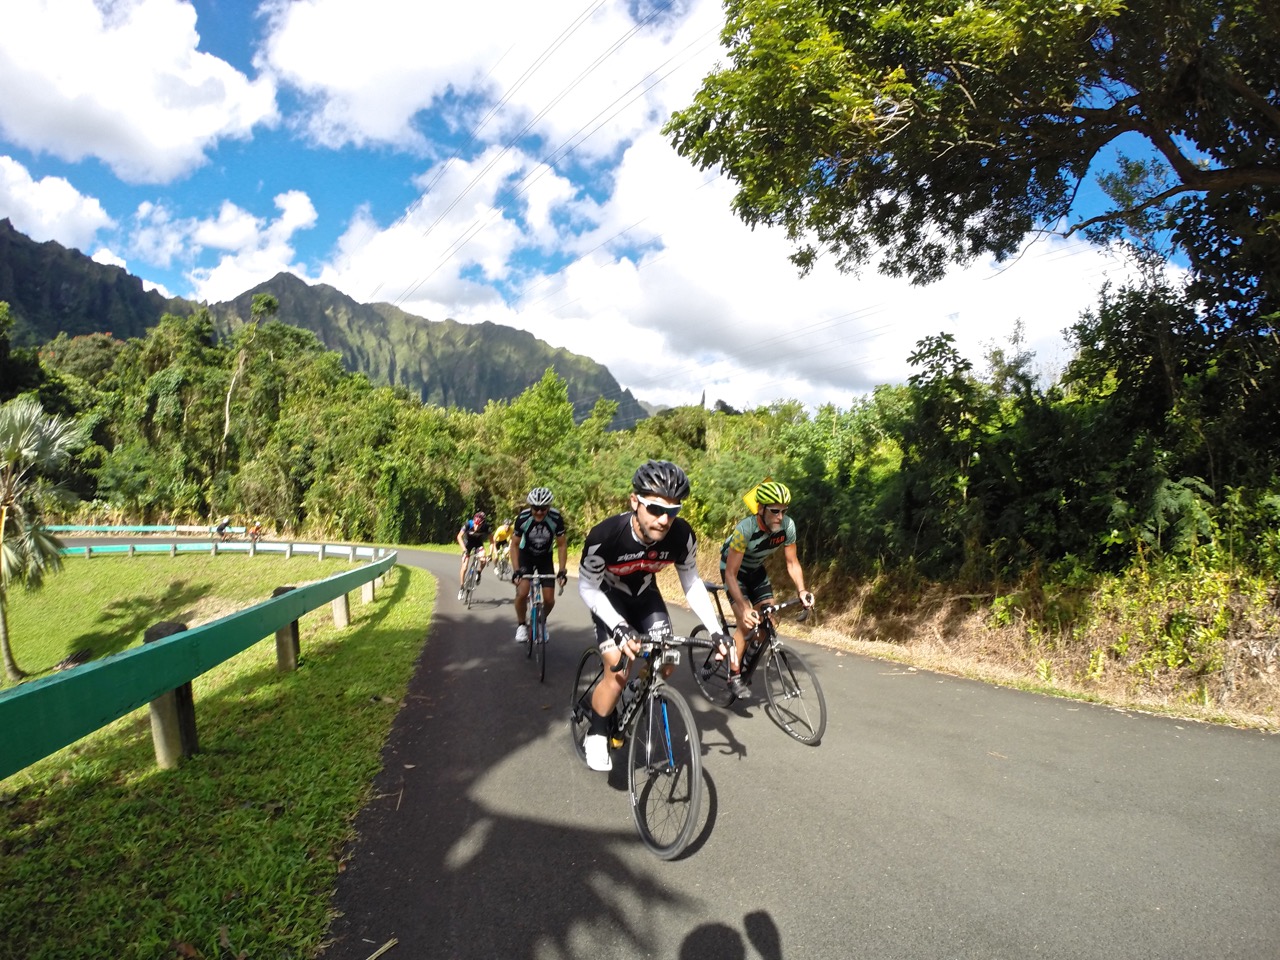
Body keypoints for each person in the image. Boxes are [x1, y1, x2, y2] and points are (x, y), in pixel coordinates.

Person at [577, 460, 726, 772]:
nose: (663, 520)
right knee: (618, 672)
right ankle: (596, 731)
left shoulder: (681, 536)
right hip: (609, 598)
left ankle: (636, 691)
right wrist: (617, 626)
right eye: (655, 509)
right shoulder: (605, 536)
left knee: (667, 661)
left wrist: (716, 631)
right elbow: (588, 587)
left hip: (645, 596)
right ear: (635, 502)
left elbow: (692, 582)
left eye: (673, 511)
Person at [720, 479, 815, 699]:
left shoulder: (787, 527)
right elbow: (731, 575)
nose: (780, 517)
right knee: (746, 623)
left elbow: (792, 563)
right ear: (760, 509)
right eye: (774, 511)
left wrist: (802, 590)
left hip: (755, 570)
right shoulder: (745, 530)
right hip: (734, 572)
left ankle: (748, 656)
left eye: (784, 511)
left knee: (768, 621)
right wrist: (744, 608)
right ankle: (733, 675)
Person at [510, 488, 568, 643]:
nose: (539, 512)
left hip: (545, 558)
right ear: (530, 507)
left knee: (549, 600)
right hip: (525, 556)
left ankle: (541, 622)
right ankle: (522, 625)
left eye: (543, 509)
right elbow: (514, 545)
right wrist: (516, 571)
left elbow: (562, 545)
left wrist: (562, 570)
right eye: (535, 508)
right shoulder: (523, 518)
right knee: (522, 592)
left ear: (549, 507)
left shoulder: (556, 518)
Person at [456, 510, 493, 600]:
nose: (476, 527)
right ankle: (461, 588)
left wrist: (490, 554)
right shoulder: (468, 524)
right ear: (473, 521)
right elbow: (459, 536)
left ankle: (479, 572)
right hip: (467, 544)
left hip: (478, 543)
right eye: (475, 524)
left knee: (483, 559)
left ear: (483, 524)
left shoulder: (486, 527)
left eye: (479, 525)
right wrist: (464, 550)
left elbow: (492, 541)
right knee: (464, 567)